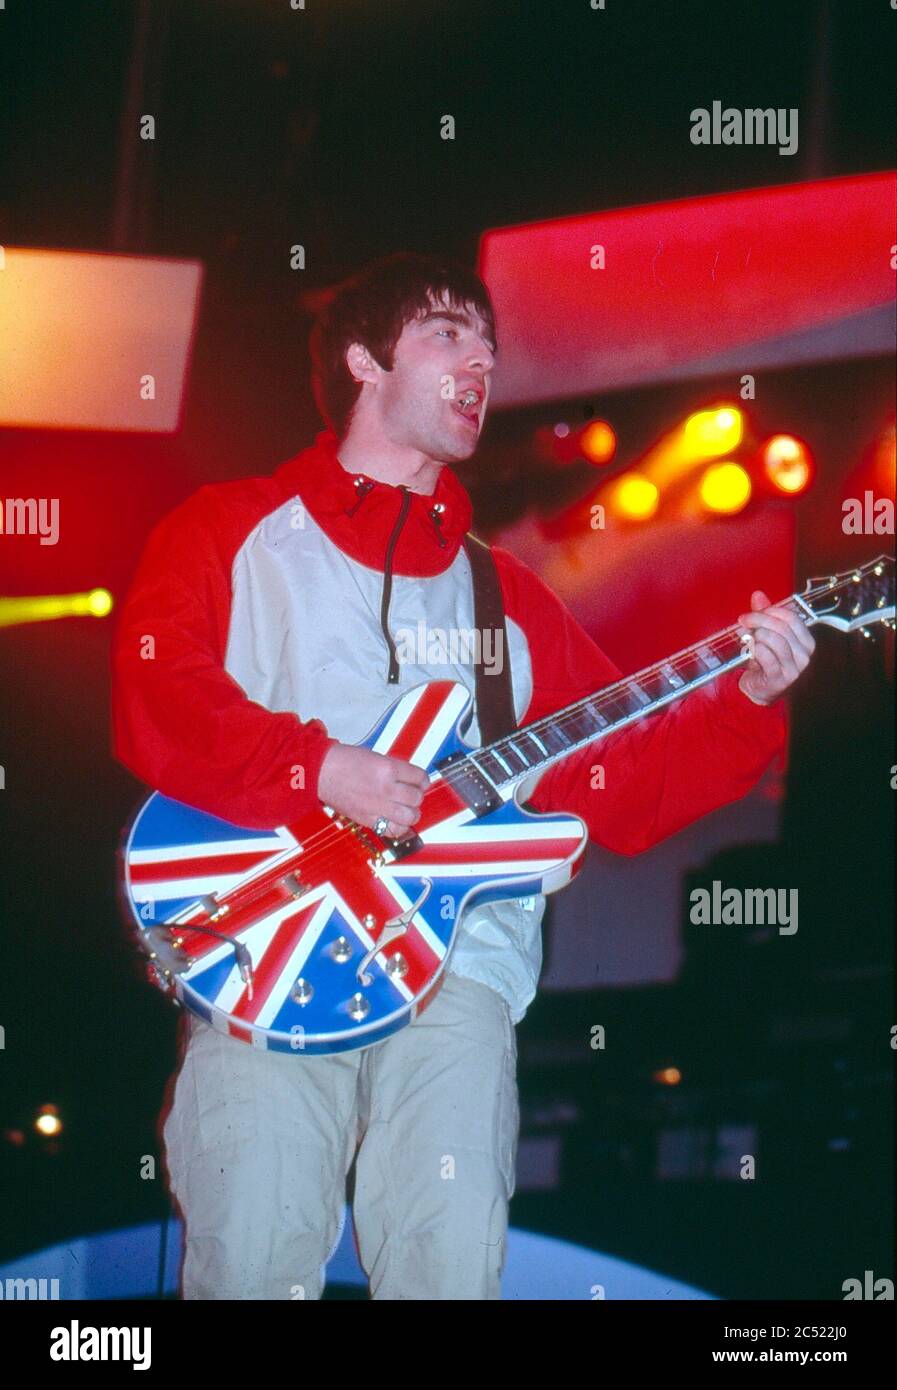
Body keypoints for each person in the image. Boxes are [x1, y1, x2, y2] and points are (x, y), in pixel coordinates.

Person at [110, 251, 815, 1300]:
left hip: (456, 968)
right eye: (449, 333)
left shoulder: (508, 594)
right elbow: (156, 697)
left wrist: (746, 704)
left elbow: (618, 783)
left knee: (448, 1262)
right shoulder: (228, 530)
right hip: (267, 948)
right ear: (364, 360)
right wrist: (316, 766)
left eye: (488, 344)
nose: (481, 359)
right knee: (253, 1254)